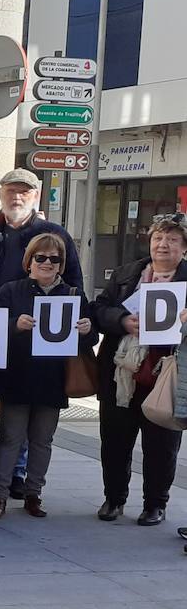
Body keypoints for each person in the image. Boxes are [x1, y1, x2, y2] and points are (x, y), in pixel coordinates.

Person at [0, 233, 95, 520]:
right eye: (40, 257)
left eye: (54, 259)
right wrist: (14, 325)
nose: (47, 263)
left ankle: (34, 493)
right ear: (29, 262)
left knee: (42, 440)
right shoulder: (11, 291)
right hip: (17, 378)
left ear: (61, 265)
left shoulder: (72, 294)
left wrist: (87, 330)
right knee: (10, 438)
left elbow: (88, 340)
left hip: (52, 380)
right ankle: (0, 495)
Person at [91, 213, 187, 526]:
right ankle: (113, 499)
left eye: (172, 240)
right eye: (159, 238)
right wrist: (121, 321)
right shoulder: (126, 273)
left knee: (161, 447)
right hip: (122, 374)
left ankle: (155, 504)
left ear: (183, 248)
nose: (163, 245)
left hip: (165, 375)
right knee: (115, 441)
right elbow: (100, 309)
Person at [0, 169, 83, 293]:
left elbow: (73, 283)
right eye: (10, 191)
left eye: (24, 192)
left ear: (36, 195)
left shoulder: (55, 234)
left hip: (36, 311)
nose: (17, 197)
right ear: (0, 194)